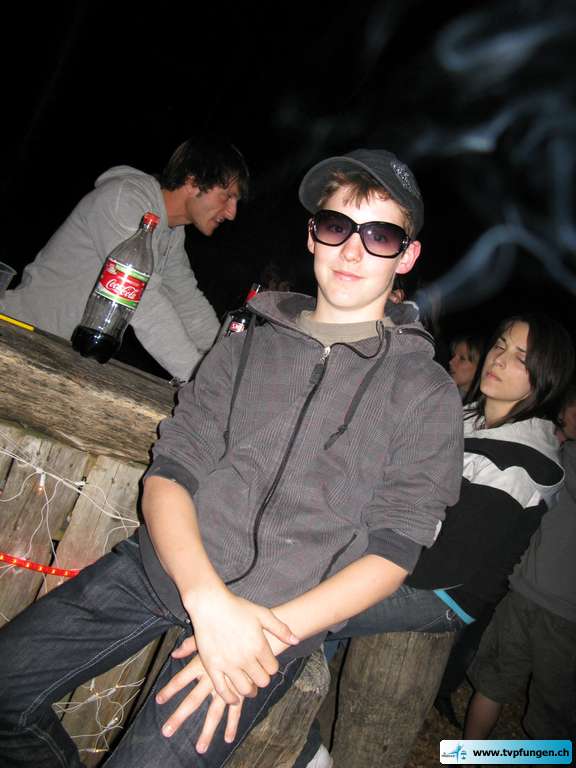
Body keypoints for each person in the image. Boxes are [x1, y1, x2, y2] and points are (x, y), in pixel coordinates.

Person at [0, 148, 464, 768]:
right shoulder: (246, 342)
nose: (352, 250)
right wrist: (207, 599)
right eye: (336, 226)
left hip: (275, 621)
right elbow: (171, 471)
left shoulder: (425, 391)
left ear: (406, 256)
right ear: (312, 237)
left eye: (378, 235)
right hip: (167, 565)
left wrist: (265, 632)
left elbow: (394, 550)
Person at [296, 312, 573, 764]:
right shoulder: (466, 418)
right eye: (500, 345)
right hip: (405, 555)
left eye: (520, 358)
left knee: (301, 612)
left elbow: (444, 566)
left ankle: (306, 752)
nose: (499, 360)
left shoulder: (524, 462)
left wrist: (357, 562)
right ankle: (304, 714)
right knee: (307, 592)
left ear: (545, 378)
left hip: (442, 595)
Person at [0, 136, 249, 381]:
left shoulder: (171, 232)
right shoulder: (124, 200)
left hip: (63, 355)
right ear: (193, 181)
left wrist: (231, 358)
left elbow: (186, 300)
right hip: (19, 335)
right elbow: (143, 302)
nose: (232, 213)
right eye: (227, 196)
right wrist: (199, 379)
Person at [464, 437, 576, 741]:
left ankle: (466, 757)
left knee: (493, 686)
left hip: (525, 592)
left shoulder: (560, 455)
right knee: (554, 716)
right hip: (564, 613)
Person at [449, 332, 486, 400]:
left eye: (462, 359)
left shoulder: (481, 404)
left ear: (479, 367)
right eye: (453, 355)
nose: (451, 362)